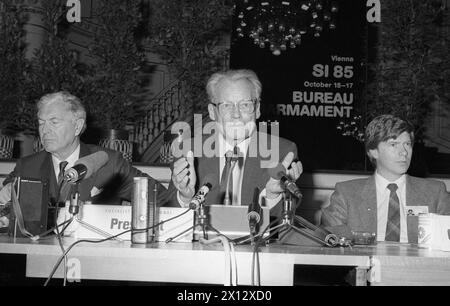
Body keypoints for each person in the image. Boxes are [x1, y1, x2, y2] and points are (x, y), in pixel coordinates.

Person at [0, 91, 168, 231]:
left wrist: (183, 196)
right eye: (41, 123)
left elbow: (160, 198)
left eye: (54, 122)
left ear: (78, 127)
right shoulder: (27, 166)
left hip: (94, 261)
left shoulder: (109, 163)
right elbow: (3, 211)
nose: (45, 130)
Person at [166, 69, 303, 215]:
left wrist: (272, 196)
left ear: (257, 109)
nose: (236, 114)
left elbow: (285, 225)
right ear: (212, 112)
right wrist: (185, 198)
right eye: (226, 105)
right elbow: (168, 214)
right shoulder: (189, 150)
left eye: (245, 105)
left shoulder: (282, 151)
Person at [321, 114, 450, 242]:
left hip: (418, 262)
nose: (404, 152)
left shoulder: (435, 193)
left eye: (407, 144)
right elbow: (329, 235)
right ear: (373, 151)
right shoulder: (347, 193)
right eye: (394, 144)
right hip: (366, 261)